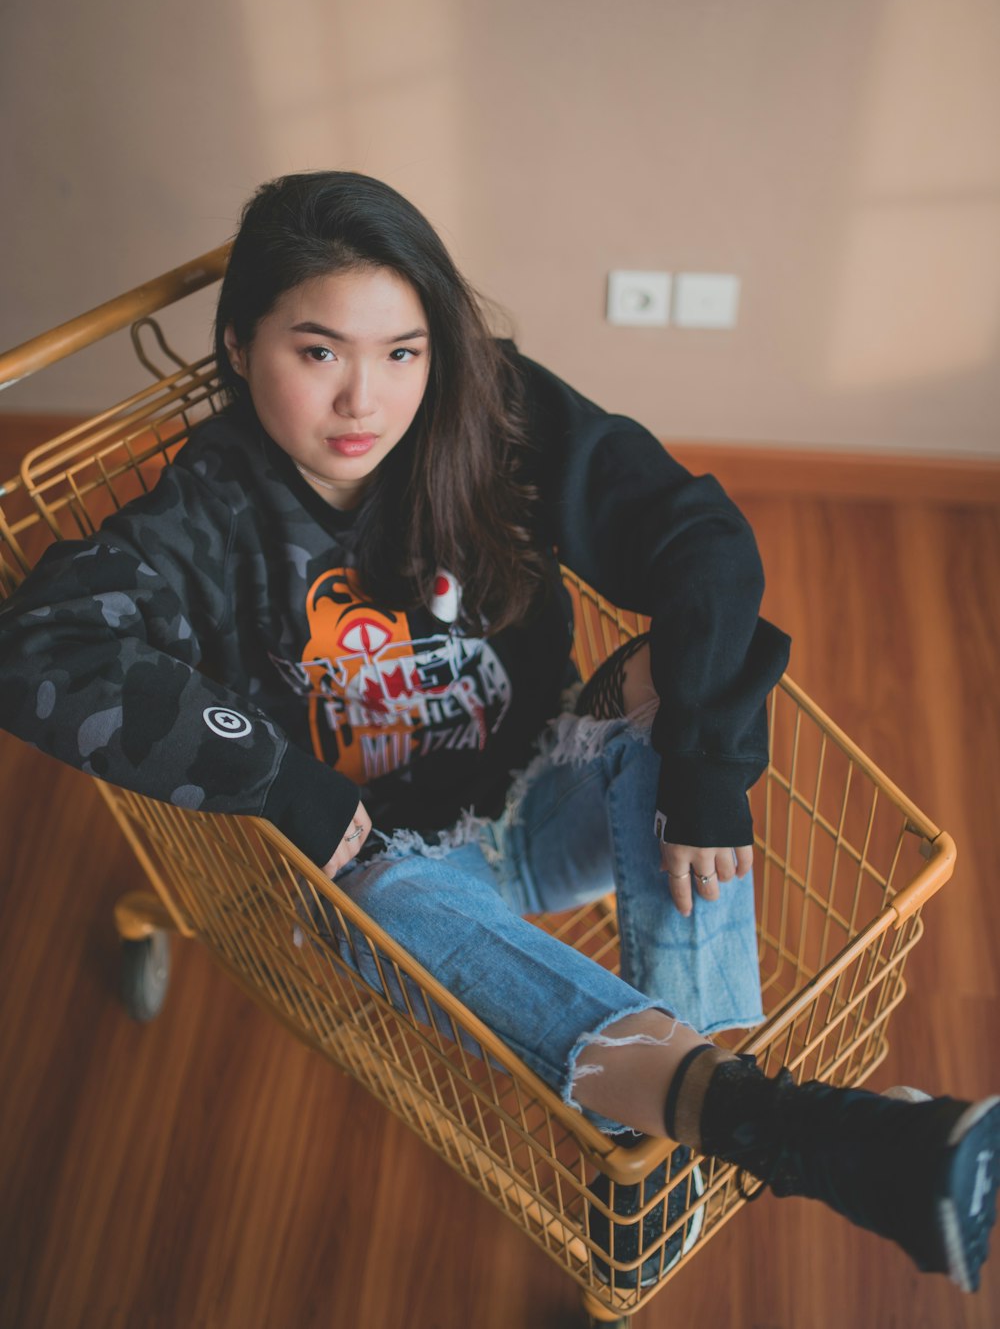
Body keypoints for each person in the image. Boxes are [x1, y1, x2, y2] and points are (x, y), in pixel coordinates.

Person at [0, 171, 996, 1293]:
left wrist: (706, 776)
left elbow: (698, 537)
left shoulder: (491, 416)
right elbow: (34, 648)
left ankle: (736, 1119)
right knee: (386, 891)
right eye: (318, 351)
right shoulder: (207, 514)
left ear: (440, 349)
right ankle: (782, 1129)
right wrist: (288, 786)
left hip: (535, 797)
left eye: (402, 351)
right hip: (380, 864)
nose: (363, 401)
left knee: (696, 663)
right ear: (239, 345)